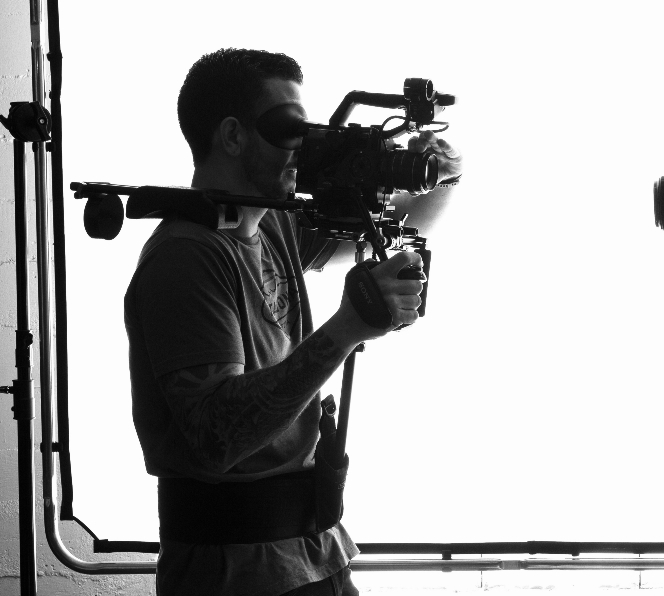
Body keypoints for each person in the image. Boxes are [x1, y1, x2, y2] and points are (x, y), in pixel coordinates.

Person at [124, 48, 462, 596]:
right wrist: (346, 329)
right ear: (232, 136)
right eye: (288, 127)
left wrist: (437, 166)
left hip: (313, 552)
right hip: (235, 572)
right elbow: (216, 437)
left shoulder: (273, 226)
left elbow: (413, 213)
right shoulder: (186, 258)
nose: (304, 145)